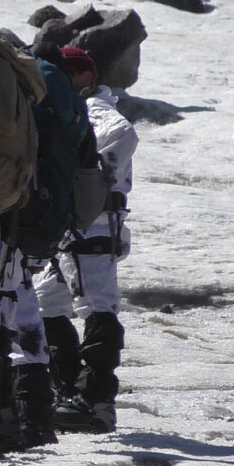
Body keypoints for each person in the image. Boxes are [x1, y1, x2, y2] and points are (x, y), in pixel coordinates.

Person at [37, 46, 137, 433]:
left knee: (96, 304)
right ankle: (71, 392)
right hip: (78, 224)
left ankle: (95, 399)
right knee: (46, 303)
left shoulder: (95, 109)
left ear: (84, 77)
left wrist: (89, 181)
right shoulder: (78, 109)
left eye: (66, 74)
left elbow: (123, 137)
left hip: (90, 222)